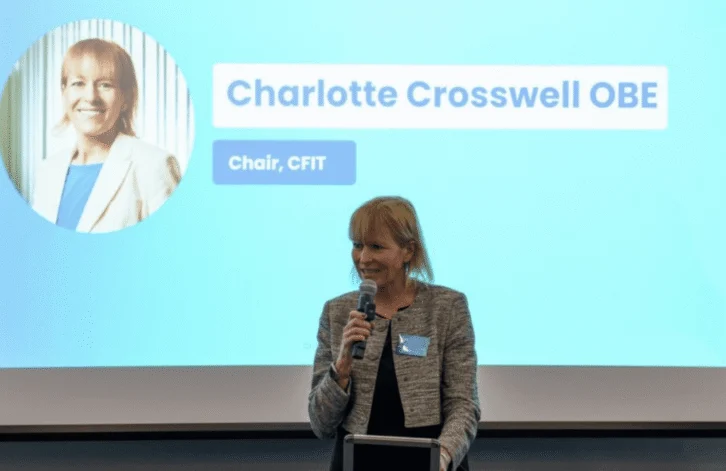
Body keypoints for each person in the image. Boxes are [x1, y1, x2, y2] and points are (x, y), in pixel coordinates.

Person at [308, 196, 480, 471]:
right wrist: (340, 370)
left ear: (408, 251)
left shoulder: (446, 308)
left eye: (376, 246)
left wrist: (442, 456)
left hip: (433, 463)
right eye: (357, 245)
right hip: (357, 463)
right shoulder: (337, 312)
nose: (363, 258)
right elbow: (321, 424)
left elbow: (463, 405)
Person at [31, 38, 181, 233]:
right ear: (64, 92)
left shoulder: (154, 165)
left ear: (126, 98)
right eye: (78, 83)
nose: (91, 97)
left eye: (105, 85)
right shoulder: (48, 170)